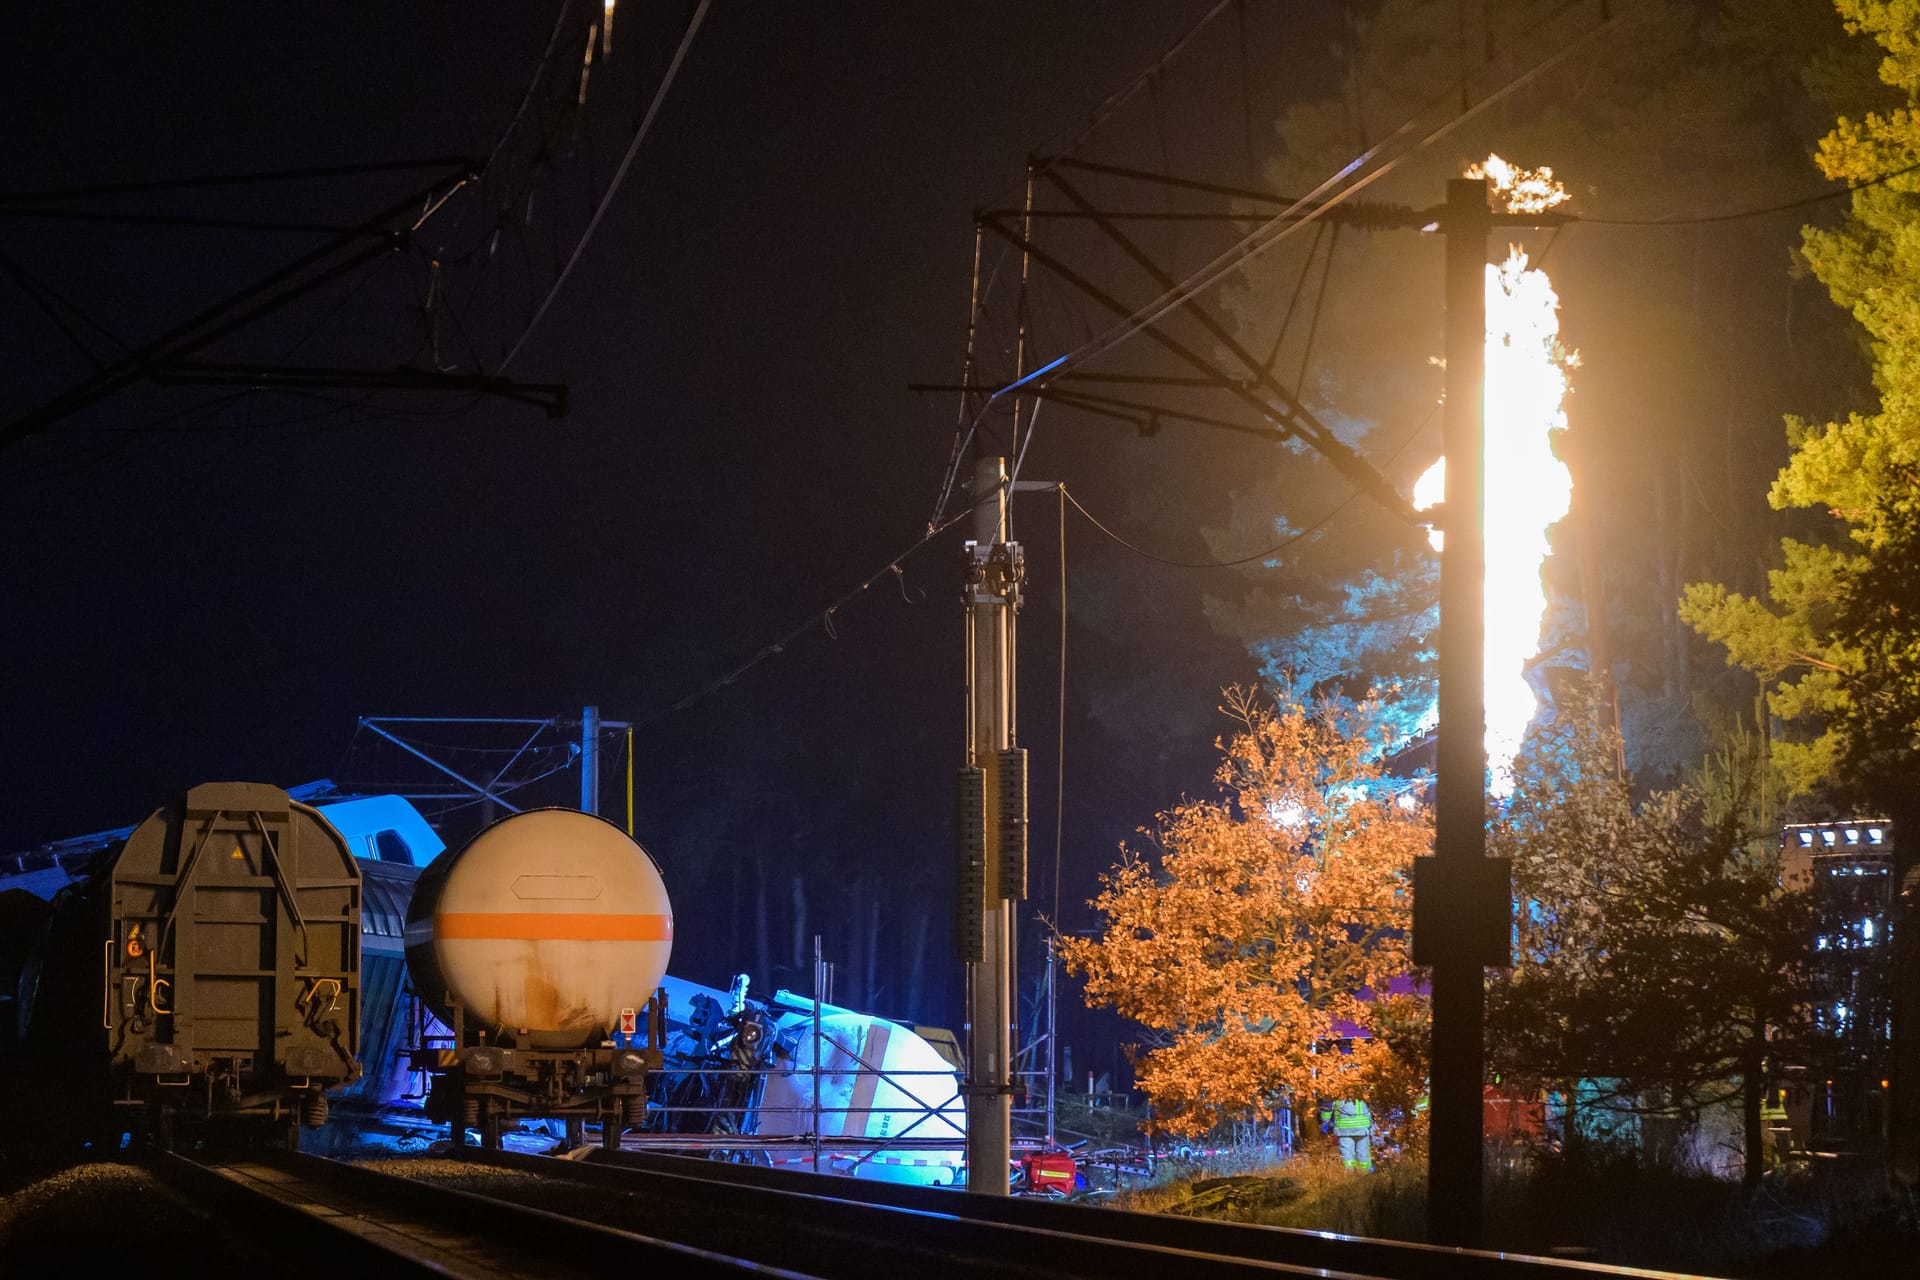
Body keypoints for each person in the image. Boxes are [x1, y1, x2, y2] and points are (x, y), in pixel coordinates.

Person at [1318, 1098, 1374, 1172]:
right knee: (1363, 1153)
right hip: (1362, 1128)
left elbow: (1327, 1108)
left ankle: (1349, 1176)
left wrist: (1325, 1121)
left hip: (1344, 1129)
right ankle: (1364, 1176)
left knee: (1347, 1155)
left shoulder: (1336, 1091)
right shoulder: (1361, 1089)